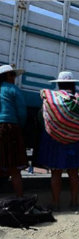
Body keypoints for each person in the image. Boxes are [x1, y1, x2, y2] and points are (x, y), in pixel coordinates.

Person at [38, 71, 79, 211]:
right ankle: (74, 202)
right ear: (73, 84)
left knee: (56, 172)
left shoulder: (52, 98)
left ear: (59, 84)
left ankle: (55, 202)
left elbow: (43, 117)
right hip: (76, 140)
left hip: (56, 140)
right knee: (73, 172)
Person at [0, 64, 27, 197]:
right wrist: (19, 126)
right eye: (13, 75)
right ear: (8, 76)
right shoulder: (13, 90)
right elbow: (22, 112)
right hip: (10, 128)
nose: (15, 78)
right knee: (14, 167)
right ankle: (20, 197)